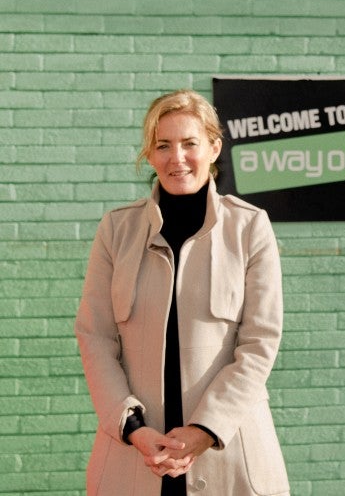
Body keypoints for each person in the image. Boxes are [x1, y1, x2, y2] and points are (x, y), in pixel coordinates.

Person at [75, 89, 290, 495]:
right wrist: (133, 428)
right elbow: (95, 337)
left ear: (213, 147)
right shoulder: (116, 231)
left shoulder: (250, 228)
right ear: (150, 155)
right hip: (134, 458)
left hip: (230, 457)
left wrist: (204, 430)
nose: (177, 158)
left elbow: (260, 342)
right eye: (163, 145)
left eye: (190, 143)